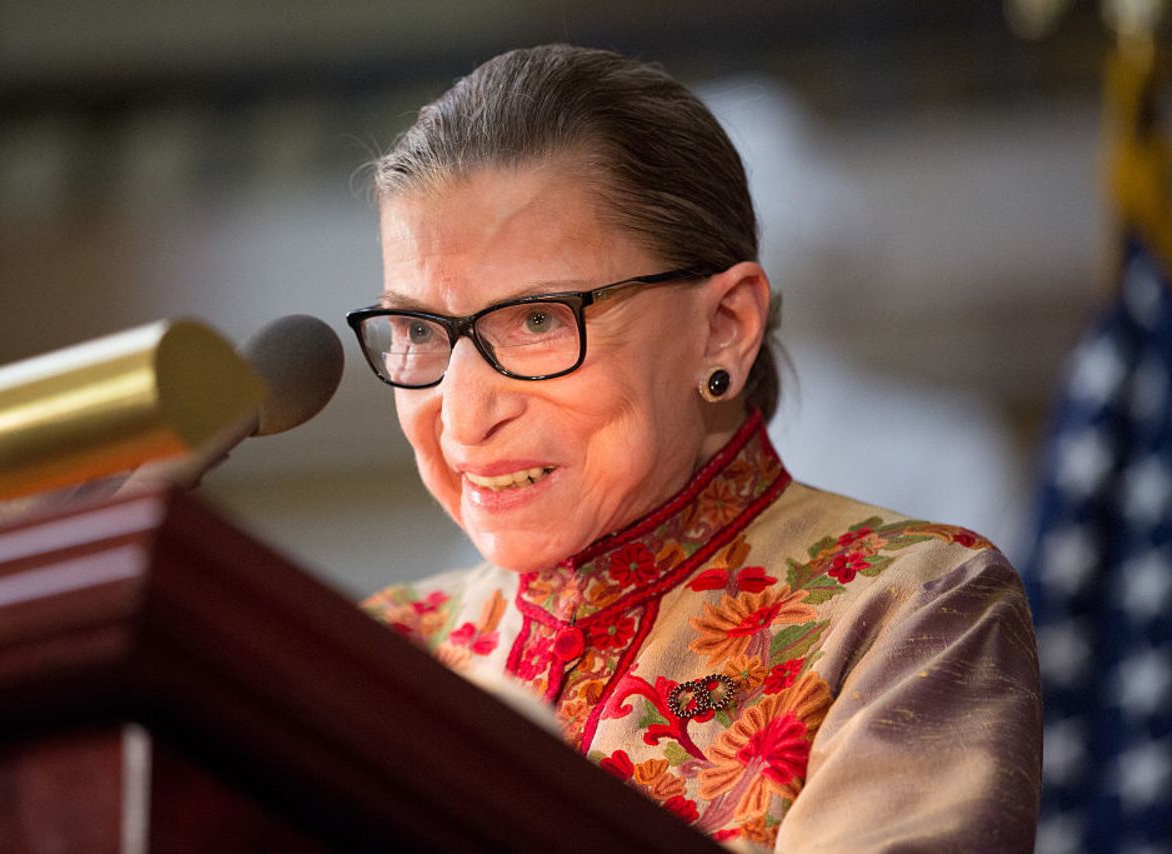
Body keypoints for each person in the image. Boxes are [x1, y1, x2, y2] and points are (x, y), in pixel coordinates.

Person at [351, 44, 1042, 851]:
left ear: (724, 328)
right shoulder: (378, 650)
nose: (462, 416)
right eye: (419, 331)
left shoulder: (907, 613)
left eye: (538, 320)